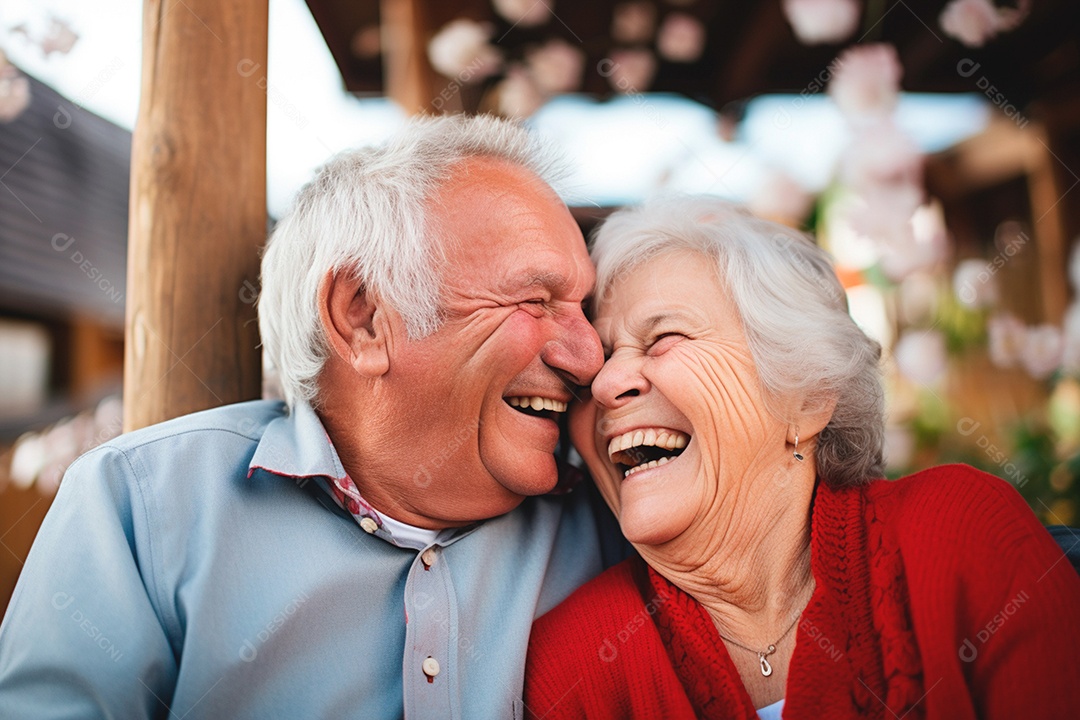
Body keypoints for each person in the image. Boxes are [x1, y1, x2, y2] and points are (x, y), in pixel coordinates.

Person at [0, 115, 619, 719]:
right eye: (536, 301)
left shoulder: (619, 513)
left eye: (583, 309)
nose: (590, 356)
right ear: (364, 316)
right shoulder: (141, 502)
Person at [524, 196, 1080, 719]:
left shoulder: (961, 534)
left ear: (806, 399)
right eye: (602, 359)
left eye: (664, 338)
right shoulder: (574, 664)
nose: (606, 384)